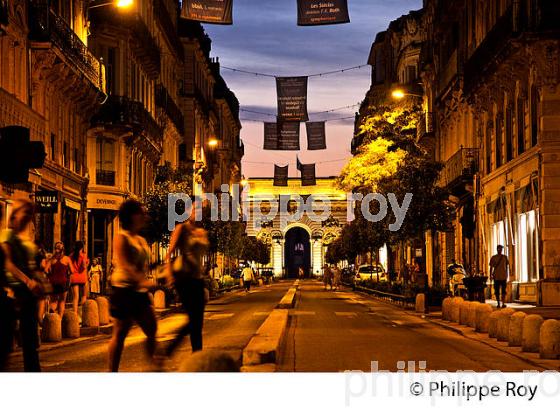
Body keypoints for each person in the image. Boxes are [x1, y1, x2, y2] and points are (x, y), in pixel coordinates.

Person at [108, 199, 158, 372]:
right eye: (141, 213)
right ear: (131, 216)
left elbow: (143, 266)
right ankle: (112, 371)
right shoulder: (121, 238)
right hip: (123, 290)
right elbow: (126, 265)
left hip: (139, 291)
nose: (144, 216)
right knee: (120, 332)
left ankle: (153, 364)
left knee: (152, 327)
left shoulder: (141, 240)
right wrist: (143, 281)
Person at [1, 200, 43, 371]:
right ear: (15, 214)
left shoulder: (28, 239)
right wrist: (28, 281)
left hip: (28, 295)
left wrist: (40, 280)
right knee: (5, 344)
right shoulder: (6, 236)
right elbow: (7, 263)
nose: (26, 218)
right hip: (12, 293)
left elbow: (32, 266)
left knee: (30, 345)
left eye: (29, 215)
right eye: (23, 214)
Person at [165, 212, 209, 357]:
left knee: (198, 322)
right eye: (195, 208)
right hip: (184, 278)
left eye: (201, 209)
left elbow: (201, 256)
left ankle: (196, 356)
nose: (198, 212)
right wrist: (170, 275)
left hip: (198, 279)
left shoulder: (202, 232)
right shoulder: (181, 229)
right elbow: (169, 253)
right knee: (194, 320)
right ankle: (189, 353)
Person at [45, 242, 73, 317]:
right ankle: (60, 319)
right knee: (62, 301)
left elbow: (45, 270)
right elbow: (72, 270)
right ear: (63, 249)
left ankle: (52, 315)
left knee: (53, 301)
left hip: (53, 282)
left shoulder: (52, 259)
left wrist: (50, 275)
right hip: (63, 282)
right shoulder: (67, 259)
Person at [69, 241, 89, 318]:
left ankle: (75, 315)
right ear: (82, 247)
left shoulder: (71, 255)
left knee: (75, 297)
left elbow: (69, 268)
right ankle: (83, 314)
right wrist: (87, 263)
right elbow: (83, 267)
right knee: (84, 295)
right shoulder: (83, 255)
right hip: (82, 277)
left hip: (74, 277)